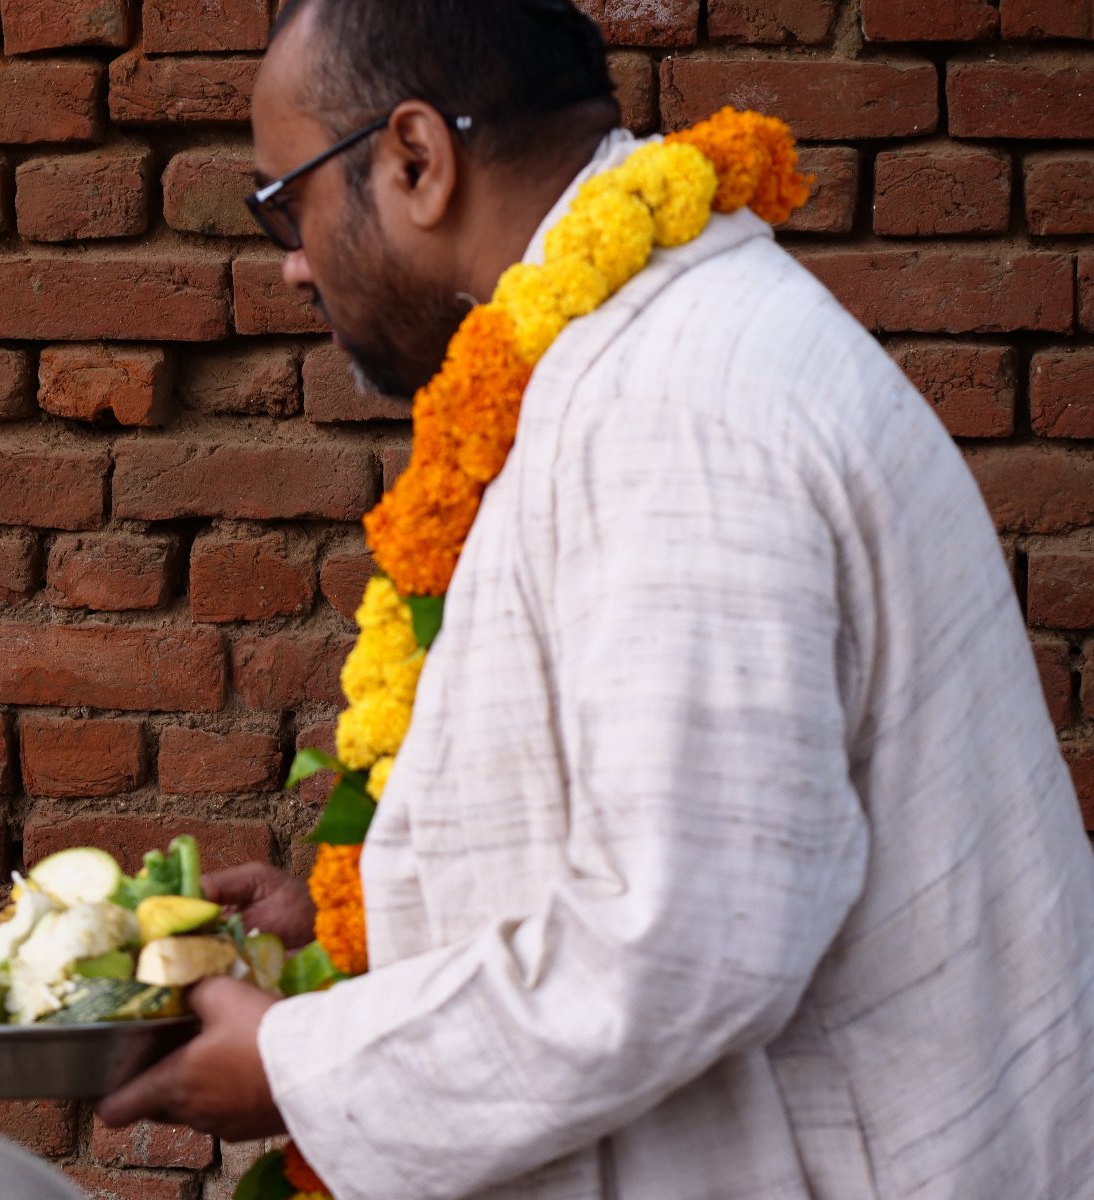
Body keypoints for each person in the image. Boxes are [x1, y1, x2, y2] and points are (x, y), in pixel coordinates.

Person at [98, 1, 1094, 1196]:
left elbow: (688, 938)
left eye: (285, 200)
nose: (292, 259)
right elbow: (672, 827)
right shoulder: (637, 346)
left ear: (416, 159)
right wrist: (353, 915)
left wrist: (295, 1066)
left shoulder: (671, 411)